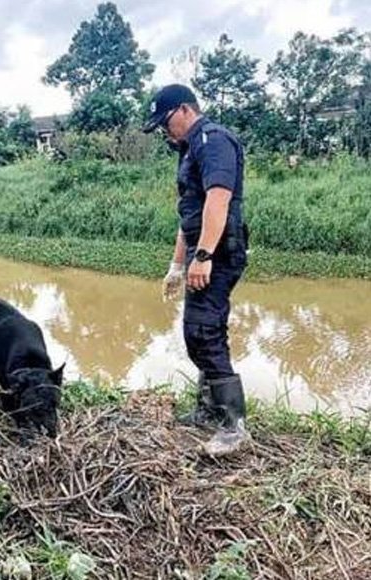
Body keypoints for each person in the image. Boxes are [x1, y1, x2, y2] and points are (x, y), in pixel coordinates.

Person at [142, 84, 251, 456]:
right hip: (202, 251)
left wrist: (203, 256)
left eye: (165, 121)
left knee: (202, 332)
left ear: (185, 110)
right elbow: (189, 214)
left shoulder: (213, 140)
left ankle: (233, 427)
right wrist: (177, 265)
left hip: (218, 253)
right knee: (205, 329)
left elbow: (217, 202)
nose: (164, 130)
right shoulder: (190, 148)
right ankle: (209, 410)